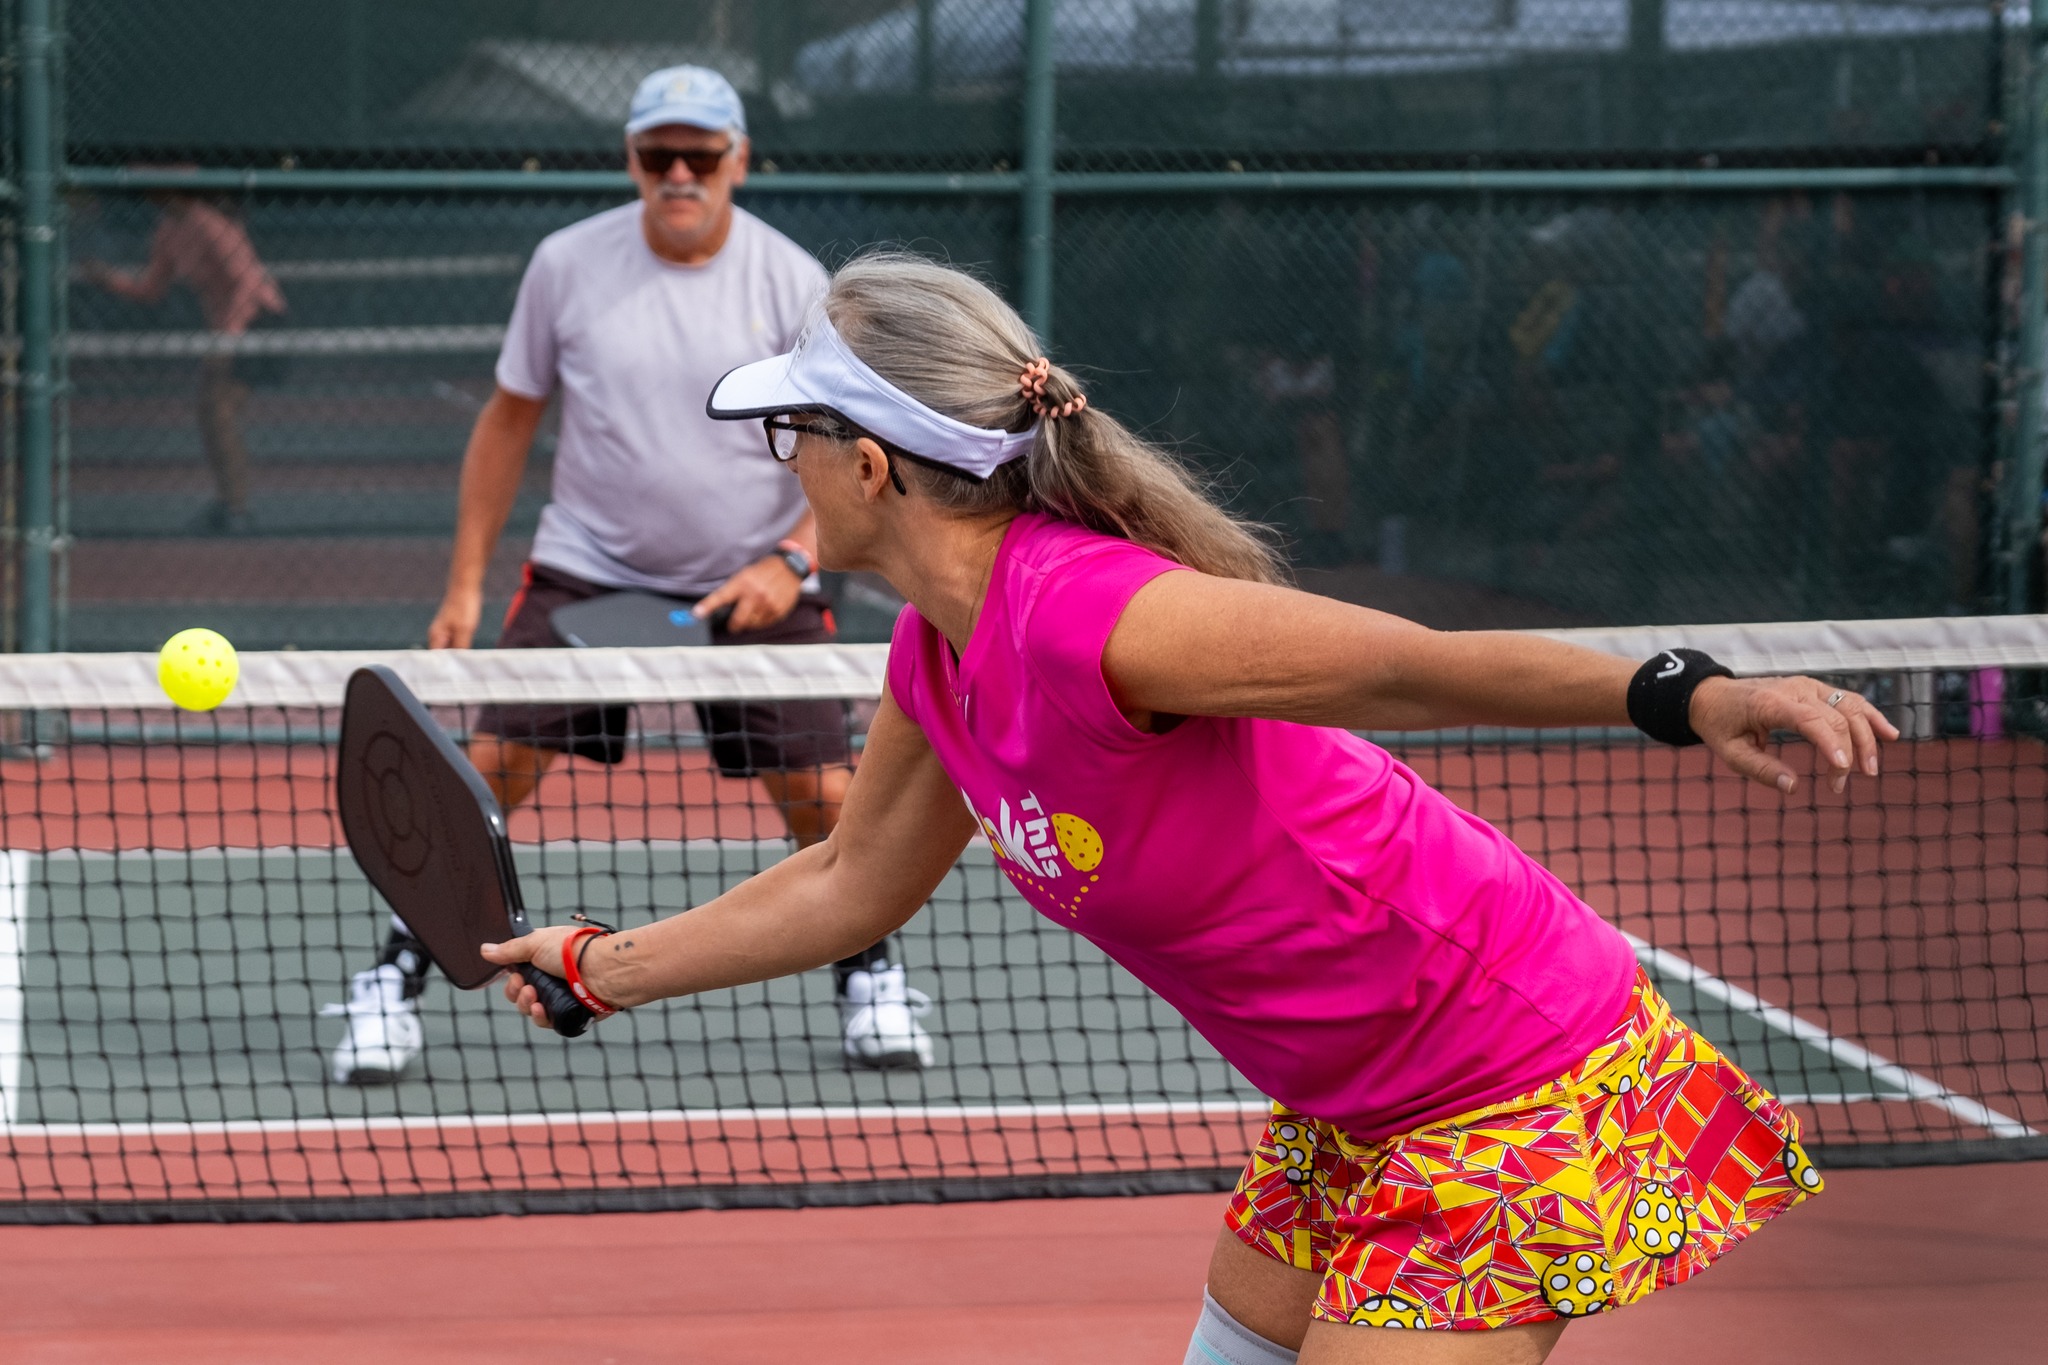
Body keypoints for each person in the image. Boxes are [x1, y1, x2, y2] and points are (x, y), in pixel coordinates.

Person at [481, 253, 1893, 1362]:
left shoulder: (1099, 614)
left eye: (791, 427)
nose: (773, 455)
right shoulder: (937, 649)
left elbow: (1409, 667)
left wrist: (1686, 692)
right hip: (1359, 1103)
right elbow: (851, 878)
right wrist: (605, 971)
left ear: (867, 464)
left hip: (1517, 1078)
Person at [324, 65, 935, 1085]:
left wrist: (792, 560)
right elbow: (509, 418)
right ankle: (393, 978)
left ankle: (867, 972)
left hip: (754, 578)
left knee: (826, 798)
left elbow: (849, 440)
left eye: (702, 155)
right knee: (484, 781)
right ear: (633, 161)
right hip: (587, 570)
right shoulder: (566, 265)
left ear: (739, 161)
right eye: (660, 155)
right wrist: (465, 584)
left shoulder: (791, 281)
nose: (680, 173)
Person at [80, 190, 287, 532]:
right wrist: (109, 279)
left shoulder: (209, 223)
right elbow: (151, 288)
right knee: (210, 411)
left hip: (259, 320)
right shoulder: (167, 230)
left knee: (219, 410)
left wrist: (227, 340)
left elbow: (247, 284)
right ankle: (228, 502)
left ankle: (237, 508)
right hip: (226, 328)